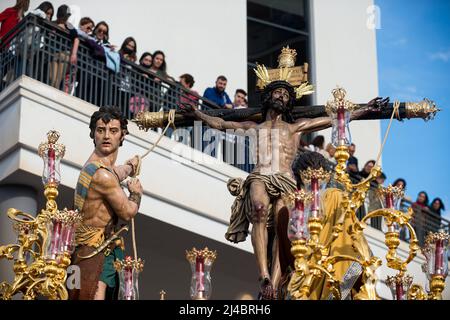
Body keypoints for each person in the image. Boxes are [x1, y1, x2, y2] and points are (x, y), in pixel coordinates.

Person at [184, 75, 378, 299]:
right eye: (278, 93)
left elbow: (331, 120)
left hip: (285, 179)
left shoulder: (295, 128)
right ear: (269, 97)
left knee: (283, 225)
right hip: (261, 175)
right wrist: (197, 114)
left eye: (286, 95)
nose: (282, 97)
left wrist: (364, 110)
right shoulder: (254, 127)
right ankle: (264, 274)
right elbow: (221, 123)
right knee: (258, 208)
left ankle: (274, 284)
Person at [68, 106, 143, 300]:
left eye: (113, 131)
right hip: (95, 253)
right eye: (101, 130)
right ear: (93, 134)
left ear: (122, 135)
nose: (106, 136)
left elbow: (113, 173)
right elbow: (127, 212)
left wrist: (129, 166)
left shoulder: (95, 165)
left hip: (82, 252)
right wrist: (135, 194)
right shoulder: (103, 175)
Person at [277, 151, 372, 300]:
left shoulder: (335, 198)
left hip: (311, 281)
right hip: (312, 281)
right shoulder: (287, 211)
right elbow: (356, 244)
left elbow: (283, 262)